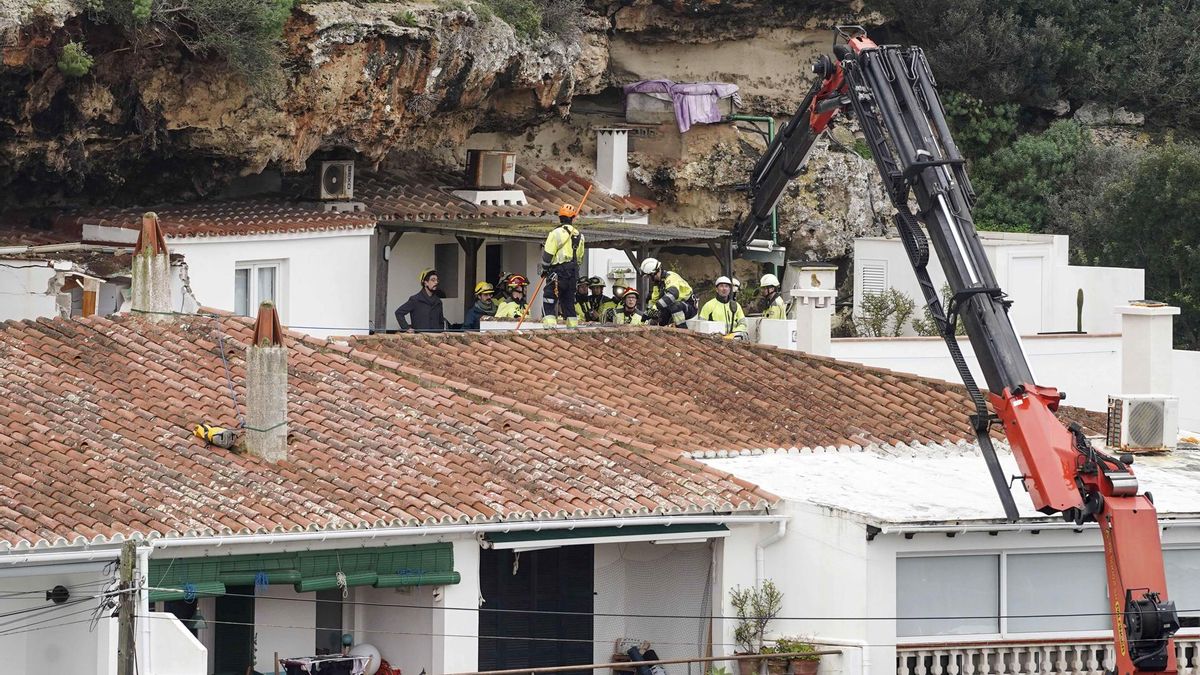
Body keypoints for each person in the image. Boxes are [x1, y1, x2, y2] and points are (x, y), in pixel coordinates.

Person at [540, 204, 586, 327]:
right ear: (573, 218)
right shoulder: (580, 236)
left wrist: (544, 269)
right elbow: (580, 258)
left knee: (549, 297)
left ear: (560, 218)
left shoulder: (555, 233)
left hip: (558, 273)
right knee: (568, 300)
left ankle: (549, 324)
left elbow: (548, 255)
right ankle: (572, 325)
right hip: (573, 274)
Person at [639, 257, 696, 327]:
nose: (650, 279)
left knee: (674, 306)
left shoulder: (671, 277)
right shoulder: (657, 284)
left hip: (689, 306)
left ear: (655, 272)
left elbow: (673, 294)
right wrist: (647, 313)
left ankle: (683, 330)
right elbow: (654, 300)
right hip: (673, 307)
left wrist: (656, 307)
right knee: (657, 316)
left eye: (649, 276)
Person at [395, 268, 445, 332]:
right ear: (425, 283)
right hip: (420, 339)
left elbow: (441, 321)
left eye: (437, 280)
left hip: (436, 339)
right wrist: (406, 328)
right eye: (433, 280)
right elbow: (399, 313)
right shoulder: (415, 300)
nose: (436, 282)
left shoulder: (438, 302)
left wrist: (440, 332)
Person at [699, 275, 747, 339]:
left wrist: (732, 335)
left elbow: (743, 324)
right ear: (716, 289)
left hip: (733, 340)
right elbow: (701, 326)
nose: (724, 289)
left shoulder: (736, 306)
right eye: (721, 286)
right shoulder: (709, 305)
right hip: (715, 341)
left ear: (730, 289)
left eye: (726, 286)